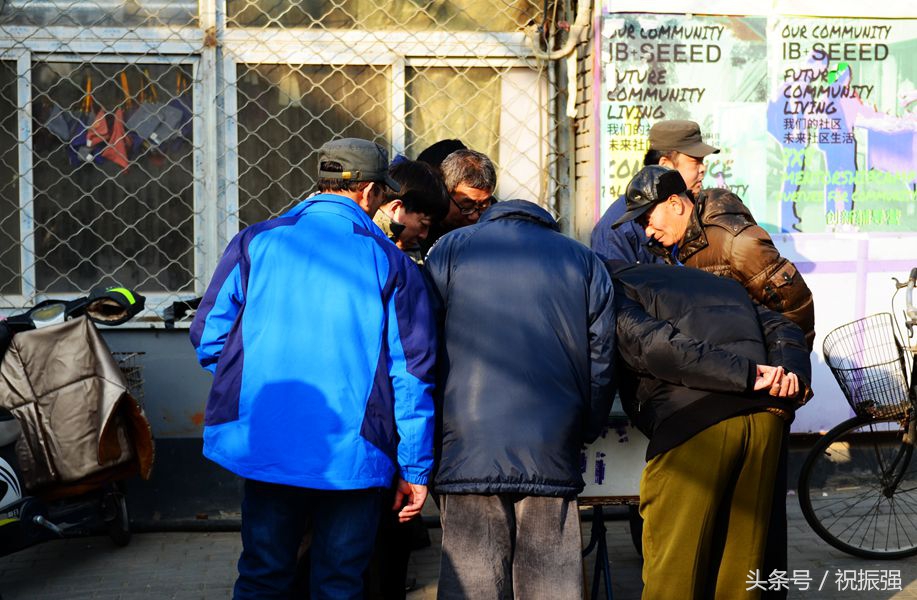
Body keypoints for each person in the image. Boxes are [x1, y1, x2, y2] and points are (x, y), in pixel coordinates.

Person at [190, 137, 437, 600]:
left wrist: (256, 384)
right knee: (339, 583)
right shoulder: (391, 262)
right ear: (370, 192)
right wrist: (415, 469)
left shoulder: (255, 241)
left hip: (267, 442)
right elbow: (412, 374)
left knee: (262, 576)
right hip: (355, 453)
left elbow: (209, 337)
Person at [425, 199, 616, 599]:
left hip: (468, 440)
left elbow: (423, 346)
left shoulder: (450, 249)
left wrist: (431, 432)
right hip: (551, 438)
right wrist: (587, 425)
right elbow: (602, 357)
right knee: (550, 583)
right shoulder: (582, 259)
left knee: (473, 582)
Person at [608, 260, 811, 600]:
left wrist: (746, 374)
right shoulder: (717, 283)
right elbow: (783, 325)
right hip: (767, 419)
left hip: (696, 426)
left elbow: (654, 346)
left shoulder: (611, 288)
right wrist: (789, 374)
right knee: (741, 573)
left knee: (675, 575)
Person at [612, 165, 815, 351]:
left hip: (757, 370)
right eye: (642, 225)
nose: (647, 232)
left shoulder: (736, 243)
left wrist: (787, 367)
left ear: (675, 204)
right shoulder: (668, 249)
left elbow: (795, 307)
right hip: (720, 369)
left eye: (648, 220)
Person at [591, 119, 719, 263]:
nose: (703, 168)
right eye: (695, 161)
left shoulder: (702, 209)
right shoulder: (617, 230)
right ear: (665, 165)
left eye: (703, 161)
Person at [373, 159, 450, 265]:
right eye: (423, 224)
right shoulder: (366, 243)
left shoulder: (411, 251)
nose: (424, 235)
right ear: (395, 209)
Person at [421, 148, 496, 251]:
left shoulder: (497, 220)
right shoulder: (421, 228)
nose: (474, 217)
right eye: (467, 206)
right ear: (444, 194)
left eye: (483, 205)